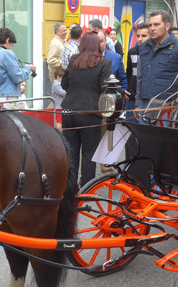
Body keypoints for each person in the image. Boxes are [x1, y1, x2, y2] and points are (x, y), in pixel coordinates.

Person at [61, 32, 112, 186]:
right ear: (97, 45)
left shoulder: (73, 60)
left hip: (69, 111)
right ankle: (87, 191)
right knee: (89, 154)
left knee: (71, 154)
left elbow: (64, 84)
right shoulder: (104, 63)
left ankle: (70, 189)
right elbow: (105, 89)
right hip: (90, 112)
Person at [135, 10, 178, 114]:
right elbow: (140, 77)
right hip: (145, 105)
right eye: (150, 25)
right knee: (142, 131)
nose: (152, 28)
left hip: (168, 107)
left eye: (156, 24)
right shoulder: (144, 47)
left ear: (167, 26)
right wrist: (137, 104)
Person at [0, 27, 36, 108]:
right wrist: (28, 68)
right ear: (7, 40)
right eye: (12, 44)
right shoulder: (7, 53)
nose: (12, 47)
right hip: (7, 99)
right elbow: (18, 77)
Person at [125, 23, 150, 113]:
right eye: (138, 36)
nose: (140, 39)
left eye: (144, 36)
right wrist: (126, 90)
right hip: (132, 97)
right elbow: (128, 73)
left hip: (146, 98)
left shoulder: (153, 53)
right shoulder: (132, 52)